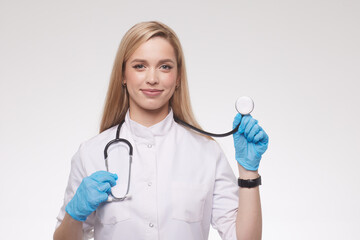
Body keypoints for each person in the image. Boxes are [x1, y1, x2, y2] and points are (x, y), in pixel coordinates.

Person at [53, 21, 269, 240]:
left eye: (165, 66)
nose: (152, 78)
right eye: (140, 66)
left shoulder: (206, 153)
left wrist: (248, 173)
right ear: (123, 76)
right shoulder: (91, 153)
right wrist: (74, 214)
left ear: (177, 78)